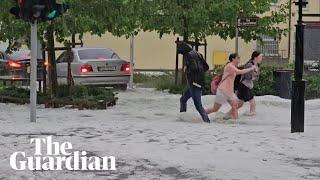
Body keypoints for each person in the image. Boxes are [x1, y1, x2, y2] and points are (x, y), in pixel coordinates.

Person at [205, 53, 257, 120]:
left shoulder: (233, 66)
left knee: (235, 105)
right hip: (223, 91)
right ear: (233, 59)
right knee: (215, 109)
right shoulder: (229, 66)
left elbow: (240, 70)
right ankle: (202, 113)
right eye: (238, 58)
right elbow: (240, 72)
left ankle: (235, 122)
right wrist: (251, 68)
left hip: (229, 91)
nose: (239, 59)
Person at [177, 41, 210, 123]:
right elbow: (206, 67)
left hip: (194, 83)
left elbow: (194, 68)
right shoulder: (198, 54)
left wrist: (186, 69)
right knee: (183, 99)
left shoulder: (188, 55)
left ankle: (207, 122)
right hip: (199, 82)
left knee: (198, 105)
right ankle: (182, 118)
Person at [234, 51, 263, 116]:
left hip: (248, 86)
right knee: (252, 102)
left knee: (240, 104)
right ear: (255, 57)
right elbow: (247, 77)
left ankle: (229, 114)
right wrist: (255, 74)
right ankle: (252, 116)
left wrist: (255, 74)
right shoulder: (249, 65)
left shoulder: (257, 65)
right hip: (244, 85)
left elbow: (256, 78)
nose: (261, 58)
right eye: (260, 57)